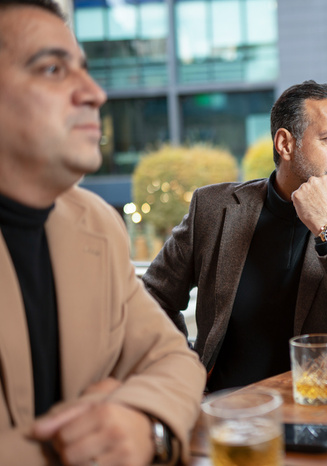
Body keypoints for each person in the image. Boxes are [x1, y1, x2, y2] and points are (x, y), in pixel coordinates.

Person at [0, 0, 207, 464]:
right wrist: (80, 444)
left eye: (85, 69)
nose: (95, 92)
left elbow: (175, 361)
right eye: (53, 69)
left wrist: (141, 419)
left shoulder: (96, 223)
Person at [143, 80, 327, 390]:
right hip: (222, 409)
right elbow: (152, 297)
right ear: (285, 144)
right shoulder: (213, 208)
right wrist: (183, 366)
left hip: (316, 408)